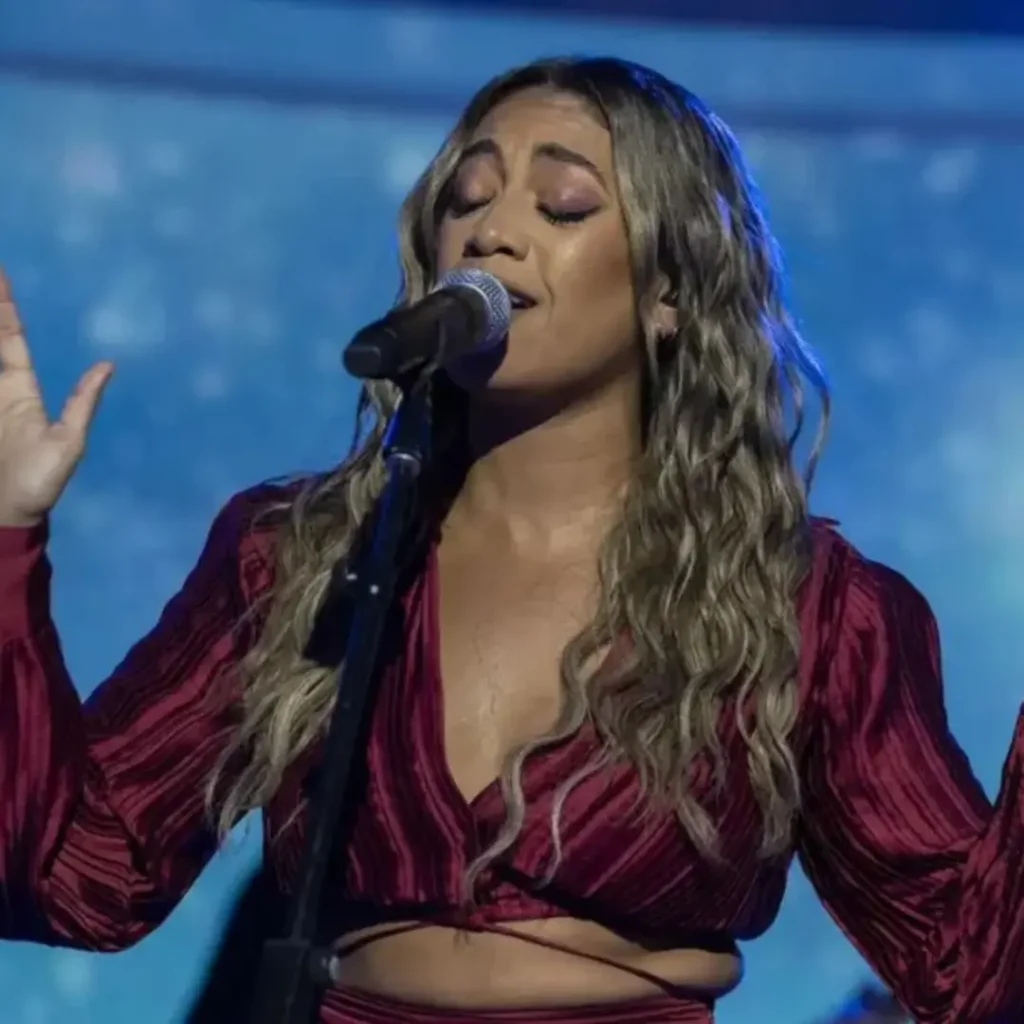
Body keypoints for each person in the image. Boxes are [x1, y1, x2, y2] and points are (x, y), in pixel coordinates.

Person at [0, 55, 1021, 1024]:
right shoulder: (301, 559)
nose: (491, 230)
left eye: (563, 204)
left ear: (670, 290)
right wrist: (7, 532)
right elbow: (78, 875)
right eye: (467, 198)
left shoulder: (806, 607)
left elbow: (969, 972)